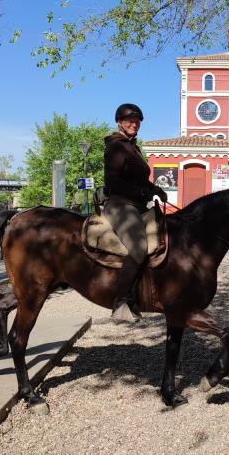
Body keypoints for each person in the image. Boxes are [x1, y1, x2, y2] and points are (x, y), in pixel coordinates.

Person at [102, 103, 167, 321]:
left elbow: (140, 179)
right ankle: (120, 301)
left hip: (138, 205)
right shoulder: (116, 146)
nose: (135, 124)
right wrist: (141, 191)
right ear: (119, 122)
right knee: (139, 246)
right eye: (130, 120)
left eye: (138, 121)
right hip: (120, 205)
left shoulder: (132, 147)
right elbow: (112, 181)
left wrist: (155, 189)